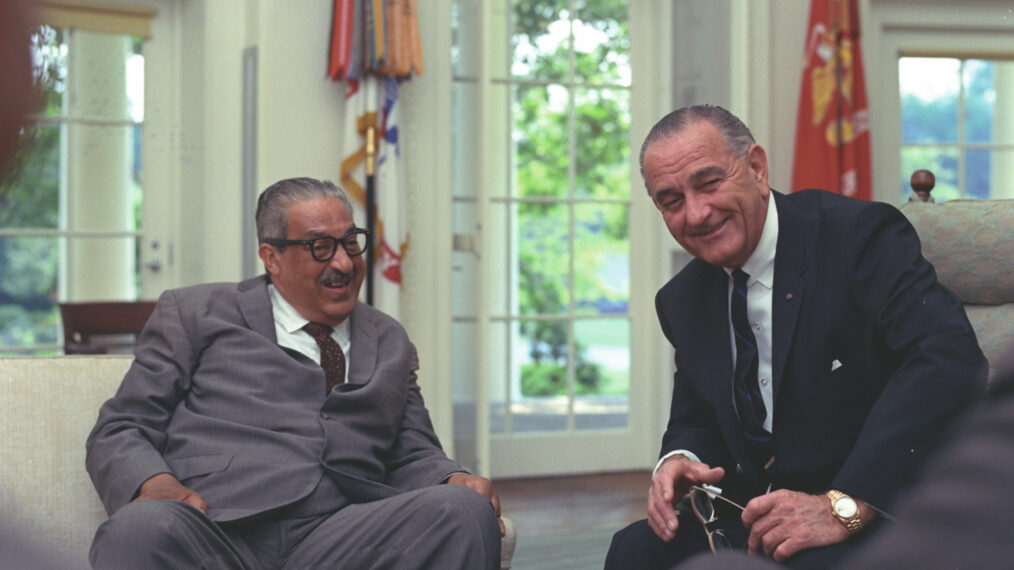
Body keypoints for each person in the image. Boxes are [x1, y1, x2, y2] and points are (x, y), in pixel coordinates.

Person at [604, 105, 987, 569]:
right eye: (672, 200)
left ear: (757, 169)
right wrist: (679, 458)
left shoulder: (859, 237)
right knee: (634, 551)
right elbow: (695, 413)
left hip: (879, 499)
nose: (697, 213)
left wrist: (845, 503)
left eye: (708, 183)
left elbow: (948, 360)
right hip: (758, 512)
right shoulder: (682, 299)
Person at [86, 177, 503, 569]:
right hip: (217, 528)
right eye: (320, 247)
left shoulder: (388, 338)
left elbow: (412, 449)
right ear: (272, 258)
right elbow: (123, 425)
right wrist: (155, 484)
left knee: (463, 510)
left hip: (340, 533)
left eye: (350, 242)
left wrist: (454, 477)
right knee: (139, 529)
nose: (343, 262)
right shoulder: (198, 313)